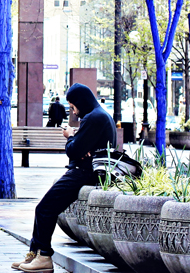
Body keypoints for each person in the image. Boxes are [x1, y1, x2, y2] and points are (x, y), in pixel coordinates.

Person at [13, 83, 116, 272]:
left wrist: (70, 137)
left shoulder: (93, 118)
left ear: (80, 102)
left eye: (73, 106)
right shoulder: (99, 115)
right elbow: (81, 148)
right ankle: (34, 254)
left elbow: (73, 151)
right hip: (86, 171)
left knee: (45, 209)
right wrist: (78, 142)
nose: (73, 112)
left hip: (83, 173)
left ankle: (43, 256)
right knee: (43, 208)